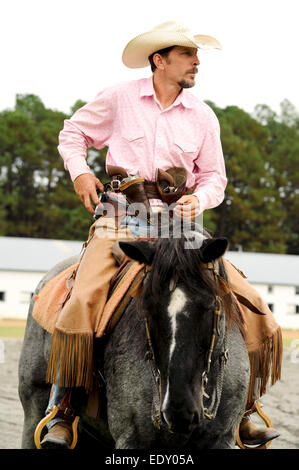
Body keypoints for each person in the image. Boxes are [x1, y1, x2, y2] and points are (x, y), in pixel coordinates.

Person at [38, 21, 282, 449]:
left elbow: (215, 179)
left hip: (180, 226)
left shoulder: (203, 116)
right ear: (160, 60)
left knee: (244, 300)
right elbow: (73, 133)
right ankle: (63, 407)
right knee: (83, 297)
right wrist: (80, 173)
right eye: (189, 55)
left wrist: (199, 199)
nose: (197, 63)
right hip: (121, 217)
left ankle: (242, 408)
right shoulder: (120, 98)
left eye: (196, 56)